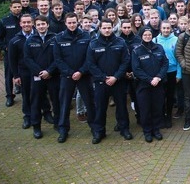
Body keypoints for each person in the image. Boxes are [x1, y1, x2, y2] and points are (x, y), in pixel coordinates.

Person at [86, 19, 133, 143]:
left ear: (113, 28)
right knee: (100, 108)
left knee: (122, 107)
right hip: (101, 82)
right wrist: (103, 77)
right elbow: (91, 64)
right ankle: (99, 132)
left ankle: (124, 129)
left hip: (118, 81)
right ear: (100, 28)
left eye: (109, 28)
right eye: (104, 28)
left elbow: (125, 61)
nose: (107, 30)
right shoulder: (93, 44)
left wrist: (116, 77)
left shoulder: (120, 42)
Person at [54, 13, 95, 143]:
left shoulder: (86, 36)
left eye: (74, 22)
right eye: (69, 23)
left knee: (90, 103)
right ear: (65, 23)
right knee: (64, 104)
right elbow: (58, 59)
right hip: (67, 76)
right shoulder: (59, 38)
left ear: (78, 22)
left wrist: (81, 71)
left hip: (84, 75)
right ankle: (63, 129)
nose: (72, 25)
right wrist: (70, 72)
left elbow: (90, 57)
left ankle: (95, 128)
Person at [23, 15, 59, 139]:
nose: (41, 26)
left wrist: (49, 71)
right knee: (36, 102)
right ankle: (36, 127)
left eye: (43, 24)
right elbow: (27, 59)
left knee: (56, 101)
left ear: (47, 25)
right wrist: (40, 72)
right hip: (37, 77)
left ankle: (58, 124)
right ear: (35, 26)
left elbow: (59, 58)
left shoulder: (55, 38)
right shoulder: (30, 40)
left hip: (53, 76)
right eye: (38, 24)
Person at [132, 27, 168, 142]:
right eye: (145, 35)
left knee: (157, 108)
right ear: (141, 36)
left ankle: (156, 130)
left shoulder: (159, 47)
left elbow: (165, 63)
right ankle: (147, 131)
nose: (147, 36)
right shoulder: (137, 50)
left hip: (158, 84)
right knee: (145, 109)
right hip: (143, 85)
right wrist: (149, 79)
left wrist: (158, 77)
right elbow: (136, 69)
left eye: (149, 34)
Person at [8, 14, 36, 129]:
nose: (26, 24)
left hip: (38, 71)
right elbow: (12, 60)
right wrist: (16, 75)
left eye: (28, 22)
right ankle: (27, 116)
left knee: (40, 93)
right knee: (26, 94)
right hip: (24, 72)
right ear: (20, 24)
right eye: (24, 22)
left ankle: (45, 112)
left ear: (32, 23)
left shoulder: (38, 37)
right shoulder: (14, 41)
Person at [153, 21, 181, 129]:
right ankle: (161, 116)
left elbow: (179, 58)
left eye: (168, 28)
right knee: (160, 96)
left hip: (172, 72)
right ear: (160, 29)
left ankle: (168, 116)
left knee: (170, 96)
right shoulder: (155, 40)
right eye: (164, 28)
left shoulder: (176, 40)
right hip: (159, 73)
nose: (166, 30)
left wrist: (179, 74)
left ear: (171, 29)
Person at [0, 0, 23, 107]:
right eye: (15, 7)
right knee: (9, 75)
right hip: (10, 54)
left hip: (23, 53)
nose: (17, 9)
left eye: (19, 6)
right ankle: (9, 96)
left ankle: (25, 94)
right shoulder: (4, 21)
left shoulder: (25, 19)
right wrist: (5, 47)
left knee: (23, 73)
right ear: (10, 8)